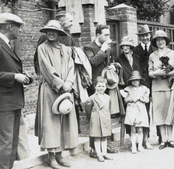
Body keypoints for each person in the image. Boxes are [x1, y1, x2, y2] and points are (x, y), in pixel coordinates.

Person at [35, 20, 78, 168]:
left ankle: (60, 155)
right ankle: (51, 157)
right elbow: (46, 69)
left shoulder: (66, 49)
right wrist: (60, 84)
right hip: (50, 90)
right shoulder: (42, 48)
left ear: (60, 33)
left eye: (54, 31)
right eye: (48, 31)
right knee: (50, 123)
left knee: (64, 122)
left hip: (65, 90)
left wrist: (69, 83)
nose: (51, 33)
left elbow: (72, 68)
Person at [0, 13, 31, 169]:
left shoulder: (6, 44)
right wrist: (14, 77)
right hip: (4, 102)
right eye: (18, 27)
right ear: (9, 27)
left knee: (12, 142)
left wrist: (23, 77)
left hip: (13, 101)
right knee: (5, 142)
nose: (19, 31)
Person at [83, 24, 117, 157]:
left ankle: (104, 145)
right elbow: (92, 62)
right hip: (94, 87)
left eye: (109, 34)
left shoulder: (107, 49)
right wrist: (102, 50)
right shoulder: (88, 47)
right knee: (94, 117)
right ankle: (93, 148)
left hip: (105, 85)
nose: (109, 37)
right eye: (106, 35)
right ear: (98, 34)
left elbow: (107, 63)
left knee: (105, 115)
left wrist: (113, 67)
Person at [149, 30, 174, 149]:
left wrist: (169, 72)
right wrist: (156, 73)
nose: (160, 42)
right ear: (155, 42)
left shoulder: (173, 53)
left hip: (170, 85)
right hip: (157, 86)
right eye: (158, 40)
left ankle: (170, 139)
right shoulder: (152, 56)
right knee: (159, 112)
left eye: (162, 39)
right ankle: (163, 140)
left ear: (166, 41)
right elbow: (149, 72)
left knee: (170, 112)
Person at [133, 24, 157, 148]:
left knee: (157, 109)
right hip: (144, 83)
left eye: (147, 35)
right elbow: (136, 68)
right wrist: (140, 84)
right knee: (145, 110)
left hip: (156, 82)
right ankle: (145, 139)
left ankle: (161, 136)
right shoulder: (136, 50)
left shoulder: (155, 48)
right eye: (143, 36)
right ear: (140, 37)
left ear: (150, 35)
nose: (145, 38)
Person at [34, 10, 74, 75]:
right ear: (62, 22)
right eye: (70, 21)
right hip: (48, 75)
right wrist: (40, 74)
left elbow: (71, 59)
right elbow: (38, 59)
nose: (72, 24)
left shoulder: (69, 39)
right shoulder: (44, 38)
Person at [83, 76, 113, 162]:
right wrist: (92, 118)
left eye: (103, 86)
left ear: (106, 87)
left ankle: (104, 154)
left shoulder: (108, 98)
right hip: (96, 119)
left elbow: (109, 109)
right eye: (99, 86)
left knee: (104, 138)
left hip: (105, 120)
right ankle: (99, 154)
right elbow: (88, 110)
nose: (101, 88)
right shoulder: (91, 98)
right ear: (95, 86)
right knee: (97, 138)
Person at [120, 71, 150, 154]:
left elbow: (147, 100)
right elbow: (125, 100)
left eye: (137, 80)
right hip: (132, 109)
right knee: (133, 129)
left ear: (140, 80)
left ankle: (140, 146)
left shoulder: (144, 89)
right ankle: (133, 146)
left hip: (140, 109)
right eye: (133, 80)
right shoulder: (128, 89)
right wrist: (130, 99)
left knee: (140, 129)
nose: (135, 82)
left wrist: (141, 98)